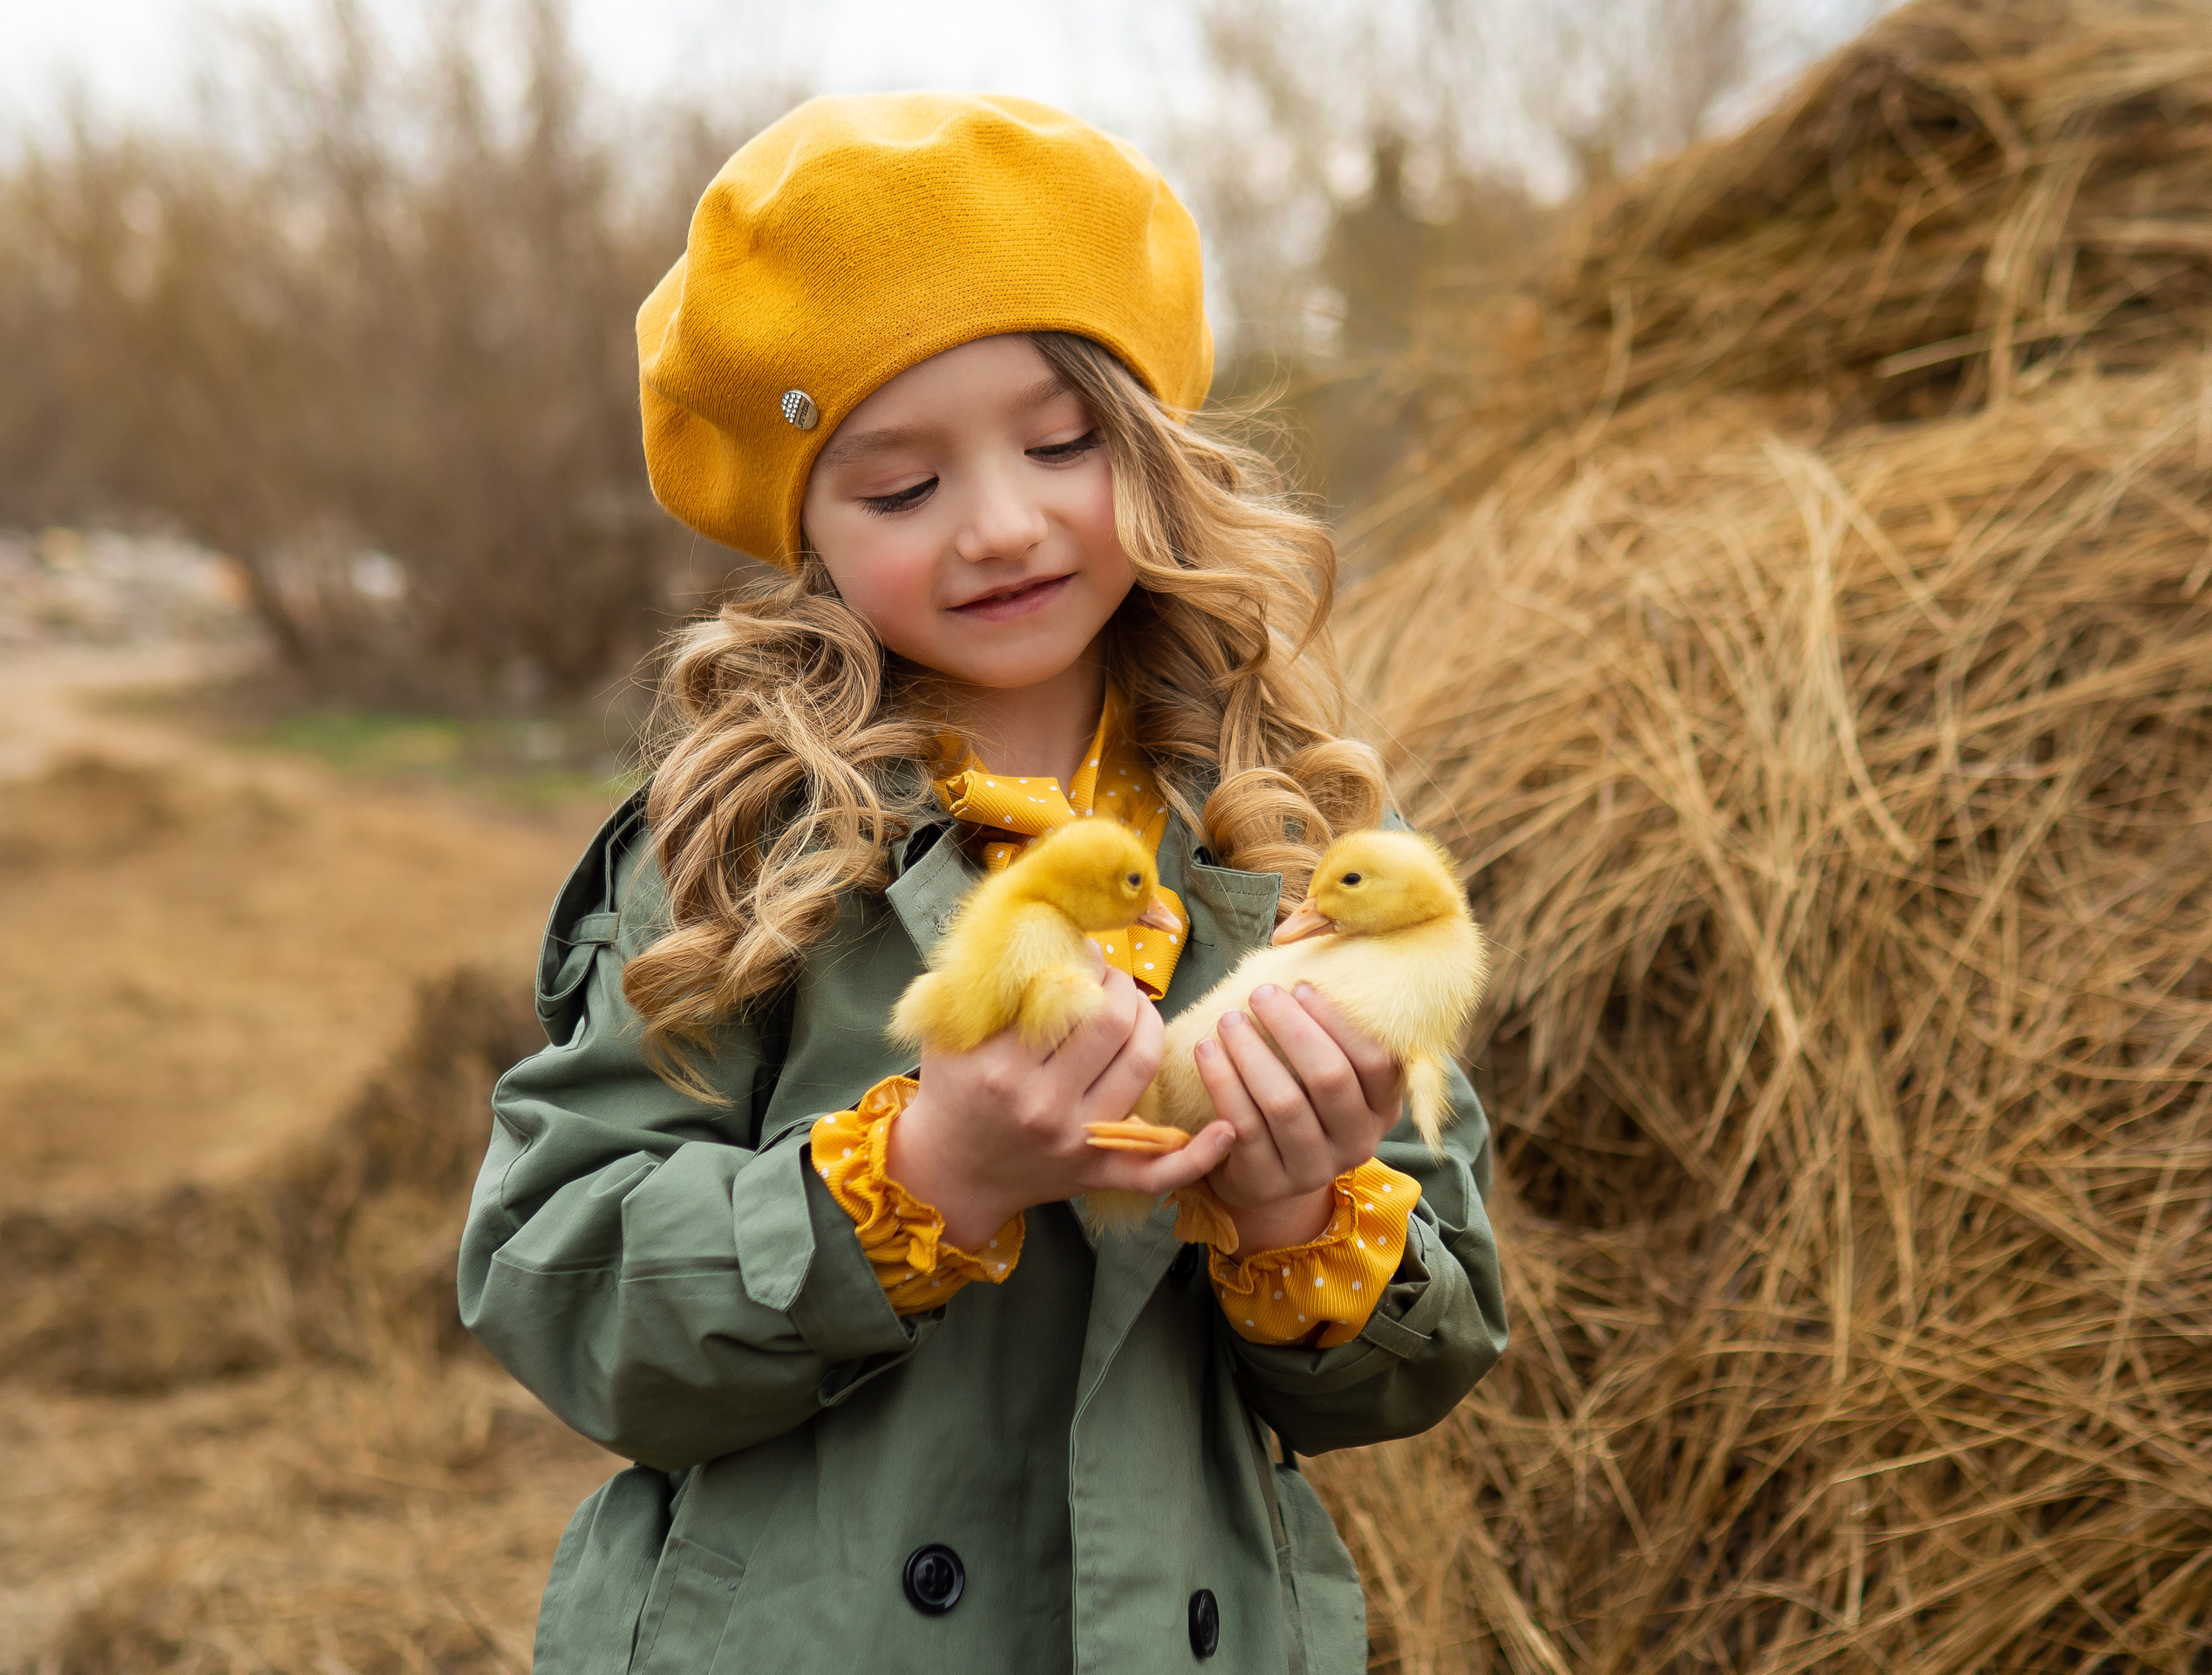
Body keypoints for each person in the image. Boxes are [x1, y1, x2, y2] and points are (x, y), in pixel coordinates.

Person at [459, 92, 1506, 1674]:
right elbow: (558, 1279)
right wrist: (925, 1176)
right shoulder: (737, 843)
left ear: (1150, 442)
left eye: (1063, 442)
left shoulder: (1294, 830)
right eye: (900, 488)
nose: (1002, 525)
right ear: (803, 529)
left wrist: (1296, 1205)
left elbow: (1432, 1344)